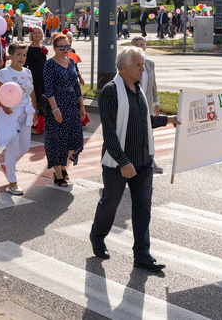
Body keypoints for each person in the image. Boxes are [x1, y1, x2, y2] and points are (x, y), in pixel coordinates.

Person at [89, 46, 177, 272]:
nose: (143, 68)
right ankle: (97, 236)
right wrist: (123, 161)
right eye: (139, 64)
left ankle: (142, 255)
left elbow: (142, 120)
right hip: (118, 163)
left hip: (143, 160)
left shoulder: (137, 88)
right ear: (124, 67)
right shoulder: (111, 91)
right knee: (110, 202)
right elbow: (108, 133)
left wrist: (168, 120)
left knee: (142, 208)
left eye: (143, 63)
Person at [0, 42, 38, 195]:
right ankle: (12, 182)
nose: (21, 57)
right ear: (10, 55)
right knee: (13, 148)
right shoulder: (4, 73)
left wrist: (35, 111)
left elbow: (32, 93)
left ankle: (6, 166)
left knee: (24, 148)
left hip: (25, 113)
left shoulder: (27, 72)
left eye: (24, 55)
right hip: (10, 114)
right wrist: (3, 106)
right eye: (18, 54)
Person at [43, 32, 86, 186]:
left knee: (75, 140)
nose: (65, 49)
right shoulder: (50, 64)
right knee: (58, 140)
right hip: (58, 105)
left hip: (72, 104)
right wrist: (55, 109)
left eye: (67, 46)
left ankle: (61, 166)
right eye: (62, 46)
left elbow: (76, 86)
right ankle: (58, 173)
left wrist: (82, 105)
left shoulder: (72, 62)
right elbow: (49, 90)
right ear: (54, 48)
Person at [131, 36, 163, 174]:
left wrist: (156, 102)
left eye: (142, 44)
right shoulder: (126, 63)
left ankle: (151, 160)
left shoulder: (150, 63)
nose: (139, 47)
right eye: (136, 44)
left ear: (145, 47)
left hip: (147, 103)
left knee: (149, 132)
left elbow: (153, 84)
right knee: (132, 131)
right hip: (132, 103)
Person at [25, 26, 48, 134]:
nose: (37, 35)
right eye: (35, 33)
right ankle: (35, 124)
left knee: (44, 100)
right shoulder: (29, 49)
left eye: (39, 33)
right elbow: (25, 65)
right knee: (35, 100)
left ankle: (43, 124)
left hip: (43, 77)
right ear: (32, 35)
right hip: (34, 78)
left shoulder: (42, 47)